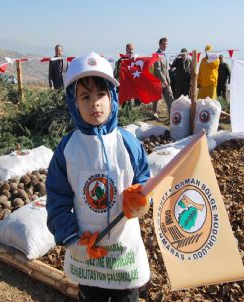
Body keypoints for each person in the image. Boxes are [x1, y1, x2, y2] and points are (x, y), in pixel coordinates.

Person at [46, 52, 151, 302]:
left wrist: (141, 200)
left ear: (113, 97)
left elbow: (146, 182)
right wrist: (72, 240)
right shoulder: (67, 150)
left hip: (124, 255)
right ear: (74, 103)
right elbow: (57, 200)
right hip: (87, 256)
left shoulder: (128, 144)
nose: (95, 103)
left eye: (101, 94)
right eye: (85, 97)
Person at [152, 37, 174, 119]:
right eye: (164, 44)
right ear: (160, 44)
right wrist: (163, 80)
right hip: (159, 81)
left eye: (166, 44)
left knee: (170, 96)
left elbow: (166, 69)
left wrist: (168, 79)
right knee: (156, 98)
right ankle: (154, 113)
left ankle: (171, 115)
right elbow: (158, 69)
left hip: (166, 82)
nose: (165, 46)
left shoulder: (164, 55)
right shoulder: (156, 55)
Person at [114, 43, 141, 108]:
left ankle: (137, 107)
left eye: (132, 49)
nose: (131, 51)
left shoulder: (136, 59)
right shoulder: (121, 60)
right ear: (126, 49)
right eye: (129, 49)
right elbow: (116, 72)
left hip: (134, 80)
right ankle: (126, 109)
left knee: (136, 94)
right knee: (126, 97)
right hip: (125, 81)